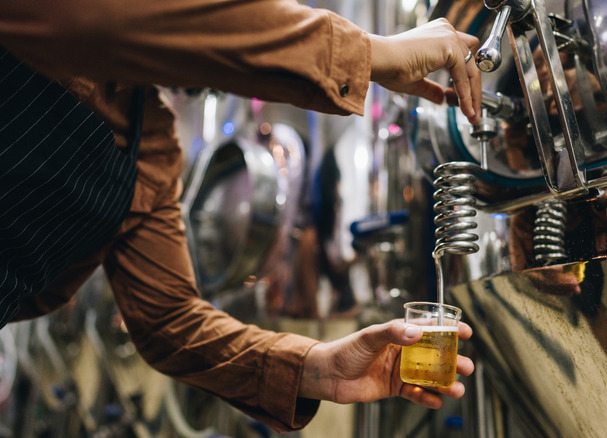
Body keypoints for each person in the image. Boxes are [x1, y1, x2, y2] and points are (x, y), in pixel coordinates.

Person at [0, 0, 480, 432]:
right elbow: (105, 19)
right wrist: (372, 55)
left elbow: (169, 319)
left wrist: (320, 367)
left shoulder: (149, 142)